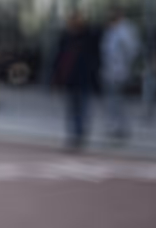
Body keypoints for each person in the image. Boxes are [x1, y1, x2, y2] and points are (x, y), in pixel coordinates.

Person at [52, 11, 100, 150]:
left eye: (76, 21)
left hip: (84, 78)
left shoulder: (89, 36)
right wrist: (57, 77)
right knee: (71, 108)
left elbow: (95, 56)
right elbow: (59, 58)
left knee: (83, 107)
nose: (72, 23)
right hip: (69, 79)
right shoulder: (65, 37)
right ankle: (73, 135)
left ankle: (80, 134)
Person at [98, 9, 140, 140]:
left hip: (119, 71)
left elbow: (131, 50)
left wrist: (124, 65)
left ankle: (120, 126)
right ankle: (115, 125)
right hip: (110, 70)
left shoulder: (125, 31)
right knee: (112, 100)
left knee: (117, 100)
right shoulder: (111, 31)